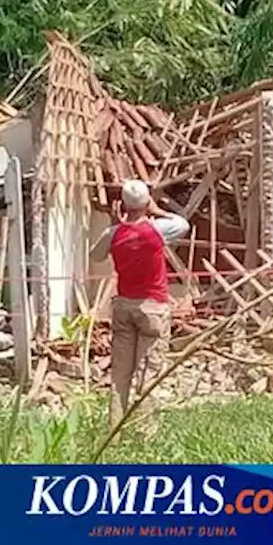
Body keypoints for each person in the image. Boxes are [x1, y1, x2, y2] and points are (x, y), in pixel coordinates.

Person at [89, 179, 189, 428]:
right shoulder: (156, 230)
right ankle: (146, 431)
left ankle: (115, 427)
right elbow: (182, 224)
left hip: (123, 307)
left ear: (123, 203)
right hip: (153, 308)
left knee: (120, 375)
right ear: (147, 202)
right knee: (148, 372)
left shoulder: (114, 234)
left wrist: (114, 226)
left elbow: (95, 254)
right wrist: (157, 210)